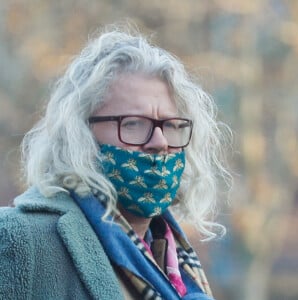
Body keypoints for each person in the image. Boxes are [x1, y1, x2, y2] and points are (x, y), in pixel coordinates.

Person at [0, 25, 230, 299]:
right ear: (80, 134)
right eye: (133, 123)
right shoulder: (20, 240)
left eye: (170, 125)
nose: (159, 142)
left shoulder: (177, 264)